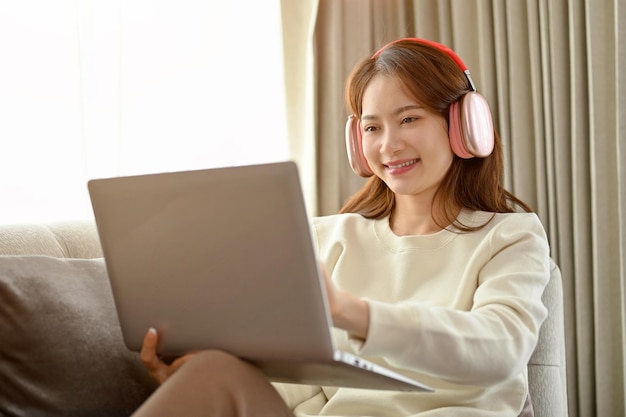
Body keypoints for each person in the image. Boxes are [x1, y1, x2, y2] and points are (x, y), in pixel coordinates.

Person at [132, 38, 550, 417]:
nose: (388, 145)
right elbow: (302, 384)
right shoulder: (327, 238)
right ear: (357, 142)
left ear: (463, 125)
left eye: (408, 119)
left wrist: (353, 314)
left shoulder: (511, 237)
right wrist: (198, 384)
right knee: (213, 371)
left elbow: (500, 350)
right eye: (372, 127)